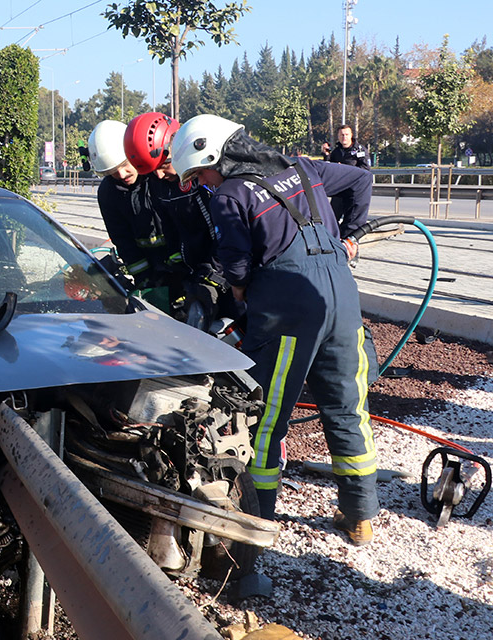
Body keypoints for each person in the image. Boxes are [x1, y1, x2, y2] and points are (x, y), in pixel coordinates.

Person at [171, 114, 379, 546]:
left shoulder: (230, 193)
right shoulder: (305, 166)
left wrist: (242, 292)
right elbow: (361, 181)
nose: (205, 183)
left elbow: (236, 261)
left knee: (266, 420)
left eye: (202, 173)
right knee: (346, 408)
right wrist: (352, 234)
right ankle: (359, 516)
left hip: (286, 308)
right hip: (341, 296)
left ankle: (257, 521)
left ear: (218, 157)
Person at [123, 112, 234, 330]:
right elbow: (172, 228)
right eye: (152, 171)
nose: (160, 176)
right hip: (196, 275)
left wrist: (213, 276)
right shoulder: (160, 182)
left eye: (164, 166)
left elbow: (227, 233)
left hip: (227, 274)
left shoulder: (207, 177)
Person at [90, 119, 186, 313]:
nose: (122, 174)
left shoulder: (159, 176)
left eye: (125, 165)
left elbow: (184, 223)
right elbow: (122, 239)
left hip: (183, 266)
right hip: (150, 271)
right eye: (112, 172)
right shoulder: (108, 193)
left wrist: (181, 265)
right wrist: (144, 279)